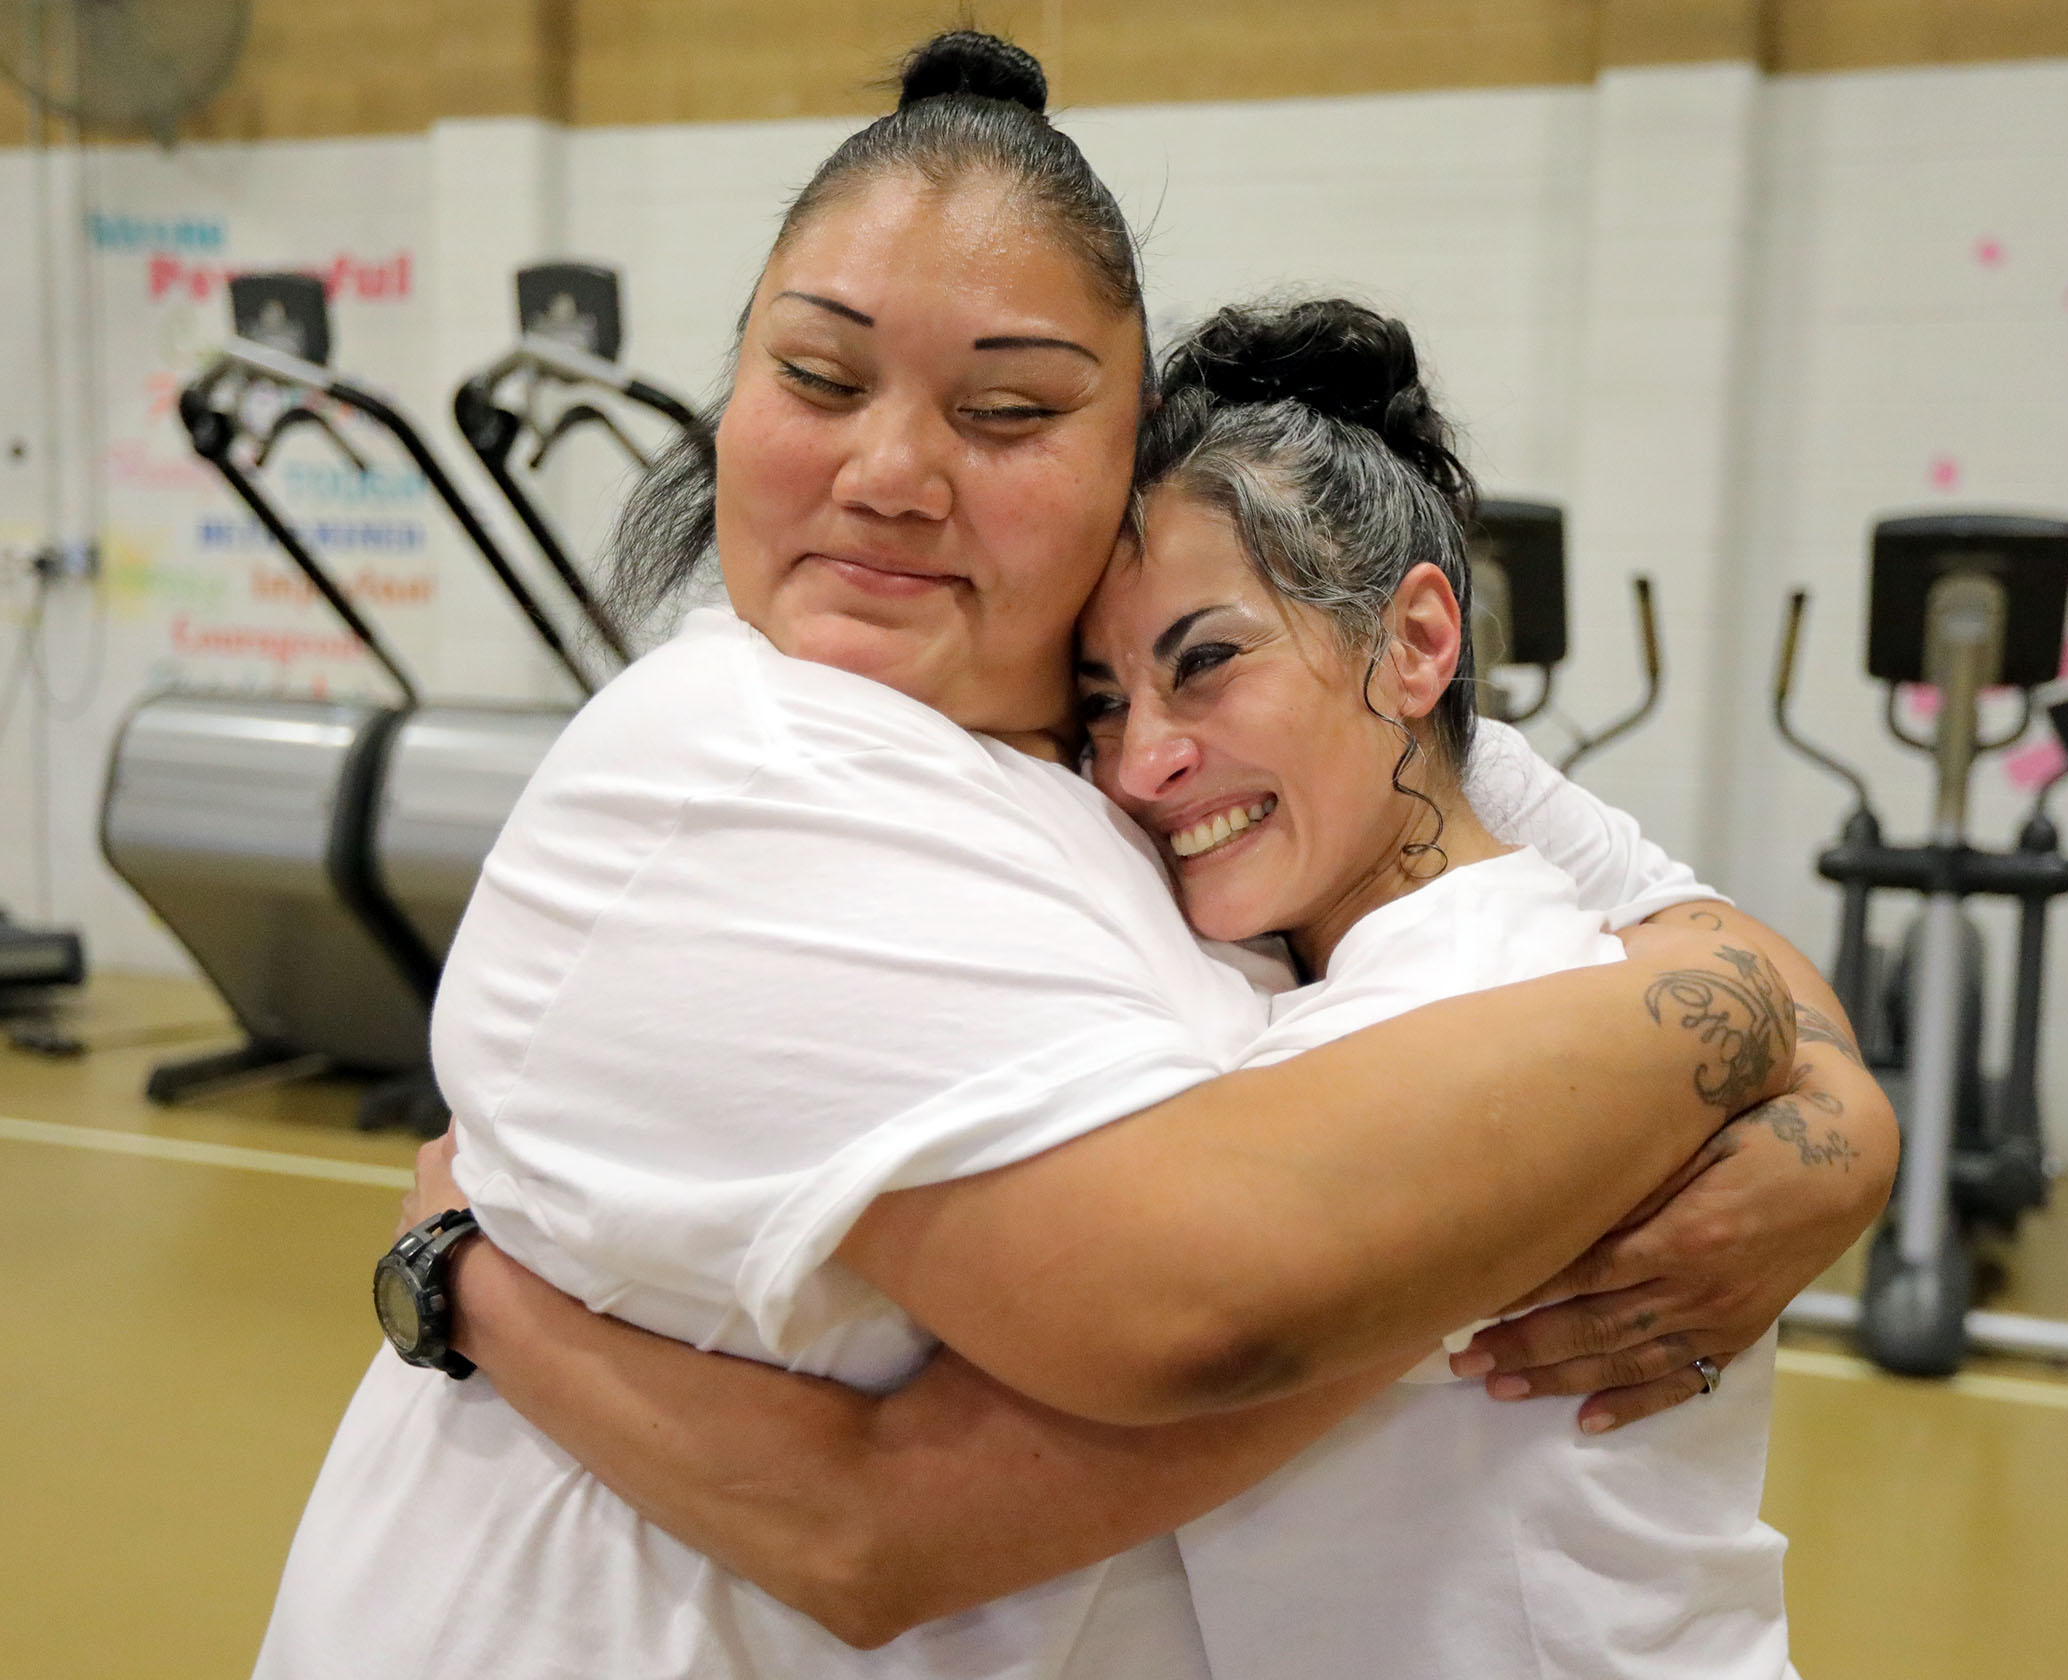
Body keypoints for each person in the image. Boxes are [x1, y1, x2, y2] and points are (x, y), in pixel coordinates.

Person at [254, 30, 1893, 1677]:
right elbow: (1122, 1361)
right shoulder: (745, 763)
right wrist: (1734, 1031)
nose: (889, 476)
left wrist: (1836, 1122)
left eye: (1010, 409)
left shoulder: (1168, 732)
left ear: (1129, 466)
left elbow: (1655, 907)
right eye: (819, 380)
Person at [1069, 295, 1824, 1678]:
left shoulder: (1472, 1014)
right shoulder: (1482, 955)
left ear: (1418, 644)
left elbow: (917, 1498)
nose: (1141, 763)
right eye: (1104, 700)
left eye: (1210, 662)